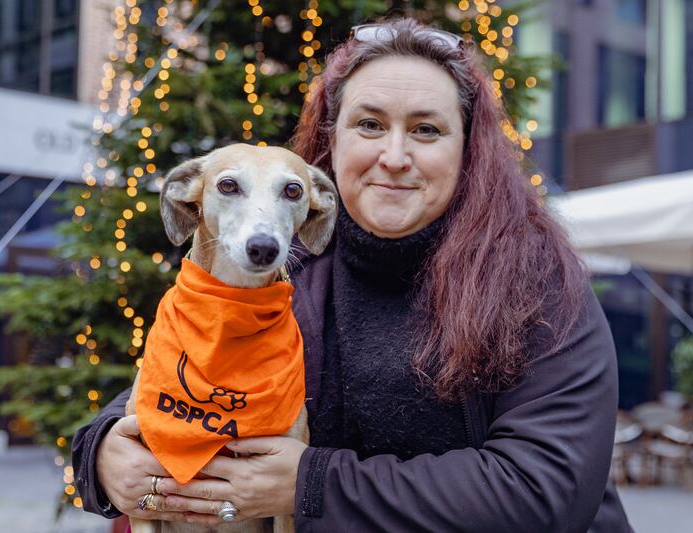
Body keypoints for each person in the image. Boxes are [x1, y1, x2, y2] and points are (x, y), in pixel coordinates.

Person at [72, 18, 634, 532]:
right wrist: (101, 455)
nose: (393, 155)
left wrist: (312, 484)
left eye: (426, 130)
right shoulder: (283, 265)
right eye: (369, 124)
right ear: (331, 140)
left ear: (469, 152)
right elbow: (180, 383)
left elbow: (544, 492)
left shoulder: (535, 282)